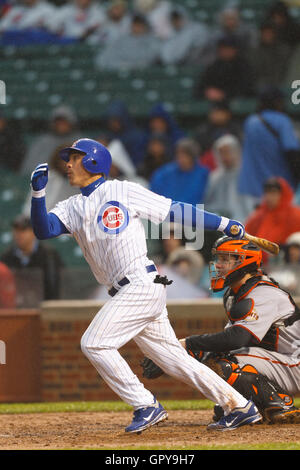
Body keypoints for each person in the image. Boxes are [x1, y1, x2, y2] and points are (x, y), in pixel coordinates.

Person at [29, 137, 261, 433]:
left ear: (93, 161)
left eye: (74, 158)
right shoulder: (73, 206)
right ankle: (239, 406)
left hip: (140, 281)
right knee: (176, 361)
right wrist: (38, 194)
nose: (68, 164)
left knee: (94, 342)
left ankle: (145, 404)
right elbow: (44, 229)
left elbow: (174, 210)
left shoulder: (122, 190)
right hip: (126, 289)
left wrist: (223, 223)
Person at [142, 237, 300, 425]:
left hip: (294, 363)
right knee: (215, 378)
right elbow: (220, 344)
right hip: (278, 361)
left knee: (223, 364)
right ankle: (262, 406)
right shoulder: (235, 294)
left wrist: (185, 343)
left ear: (245, 261)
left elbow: (237, 339)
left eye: (225, 259)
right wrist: (170, 353)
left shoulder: (264, 292)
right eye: (219, 259)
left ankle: (281, 404)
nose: (218, 265)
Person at [238, 87, 300, 201]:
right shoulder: (282, 121)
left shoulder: (250, 121)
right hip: (276, 190)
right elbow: (292, 153)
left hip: (249, 188)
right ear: (277, 102)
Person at [0, 215, 64, 301]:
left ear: (33, 232)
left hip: (44, 306)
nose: (19, 234)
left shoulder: (49, 255)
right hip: (16, 308)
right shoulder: (6, 257)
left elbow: (58, 284)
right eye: (16, 230)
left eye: (23, 230)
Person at [245, 177, 300, 263]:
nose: (269, 197)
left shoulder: (295, 215)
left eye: (274, 193)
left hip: (288, 266)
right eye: (267, 193)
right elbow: (246, 237)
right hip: (260, 265)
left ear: (283, 194)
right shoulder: (258, 216)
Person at [204, 134, 255, 223]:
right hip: (219, 222)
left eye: (228, 152)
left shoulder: (247, 174)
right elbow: (208, 202)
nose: (225, 157)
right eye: (221, 153)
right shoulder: (215, 176)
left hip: (244, 221)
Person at [20, 105, 81, 176]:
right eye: (58, 122)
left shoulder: (82, 142)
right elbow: (28, 169)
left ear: (72, 123)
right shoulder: (41, 142)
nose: (61, 125)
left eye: (64, 122)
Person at [194, 35, 255, 102]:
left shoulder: (243, 66)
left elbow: (246, 89)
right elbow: (201, 87)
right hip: (214, 104)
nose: (226, 51)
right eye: (223, 48)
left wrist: (224, 94)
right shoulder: (214, 66)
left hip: (236, 105)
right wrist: (207, 92)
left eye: (229, 48)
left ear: (235, 50)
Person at [150, 137, 208, 205]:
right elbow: (154, 194)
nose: (181, 158)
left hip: (193, 213)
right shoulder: (164, 173)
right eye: (178, 154)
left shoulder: (203, 174)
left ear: (193, 156)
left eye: (185, 155)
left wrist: (199, 215)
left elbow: (205, 199)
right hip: (167, 211)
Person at [95, 13, 160, 71]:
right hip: (120, 73)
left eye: (140, 24)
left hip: (144, 74)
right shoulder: (121, 40)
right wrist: (122, 65)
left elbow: (151, 58)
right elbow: (102, 60)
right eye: (135, 24)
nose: (137, 27)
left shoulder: (152, 40)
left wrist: (132, 65)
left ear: (145, 26)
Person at [248, 21, 292, 91]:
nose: (267, 35)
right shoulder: (254, 51)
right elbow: (253, 72)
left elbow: (285, 71)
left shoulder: (284, 50)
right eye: (265, 33)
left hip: (281, 85)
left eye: (270, 33)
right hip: (260, 87)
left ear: (275, 34)